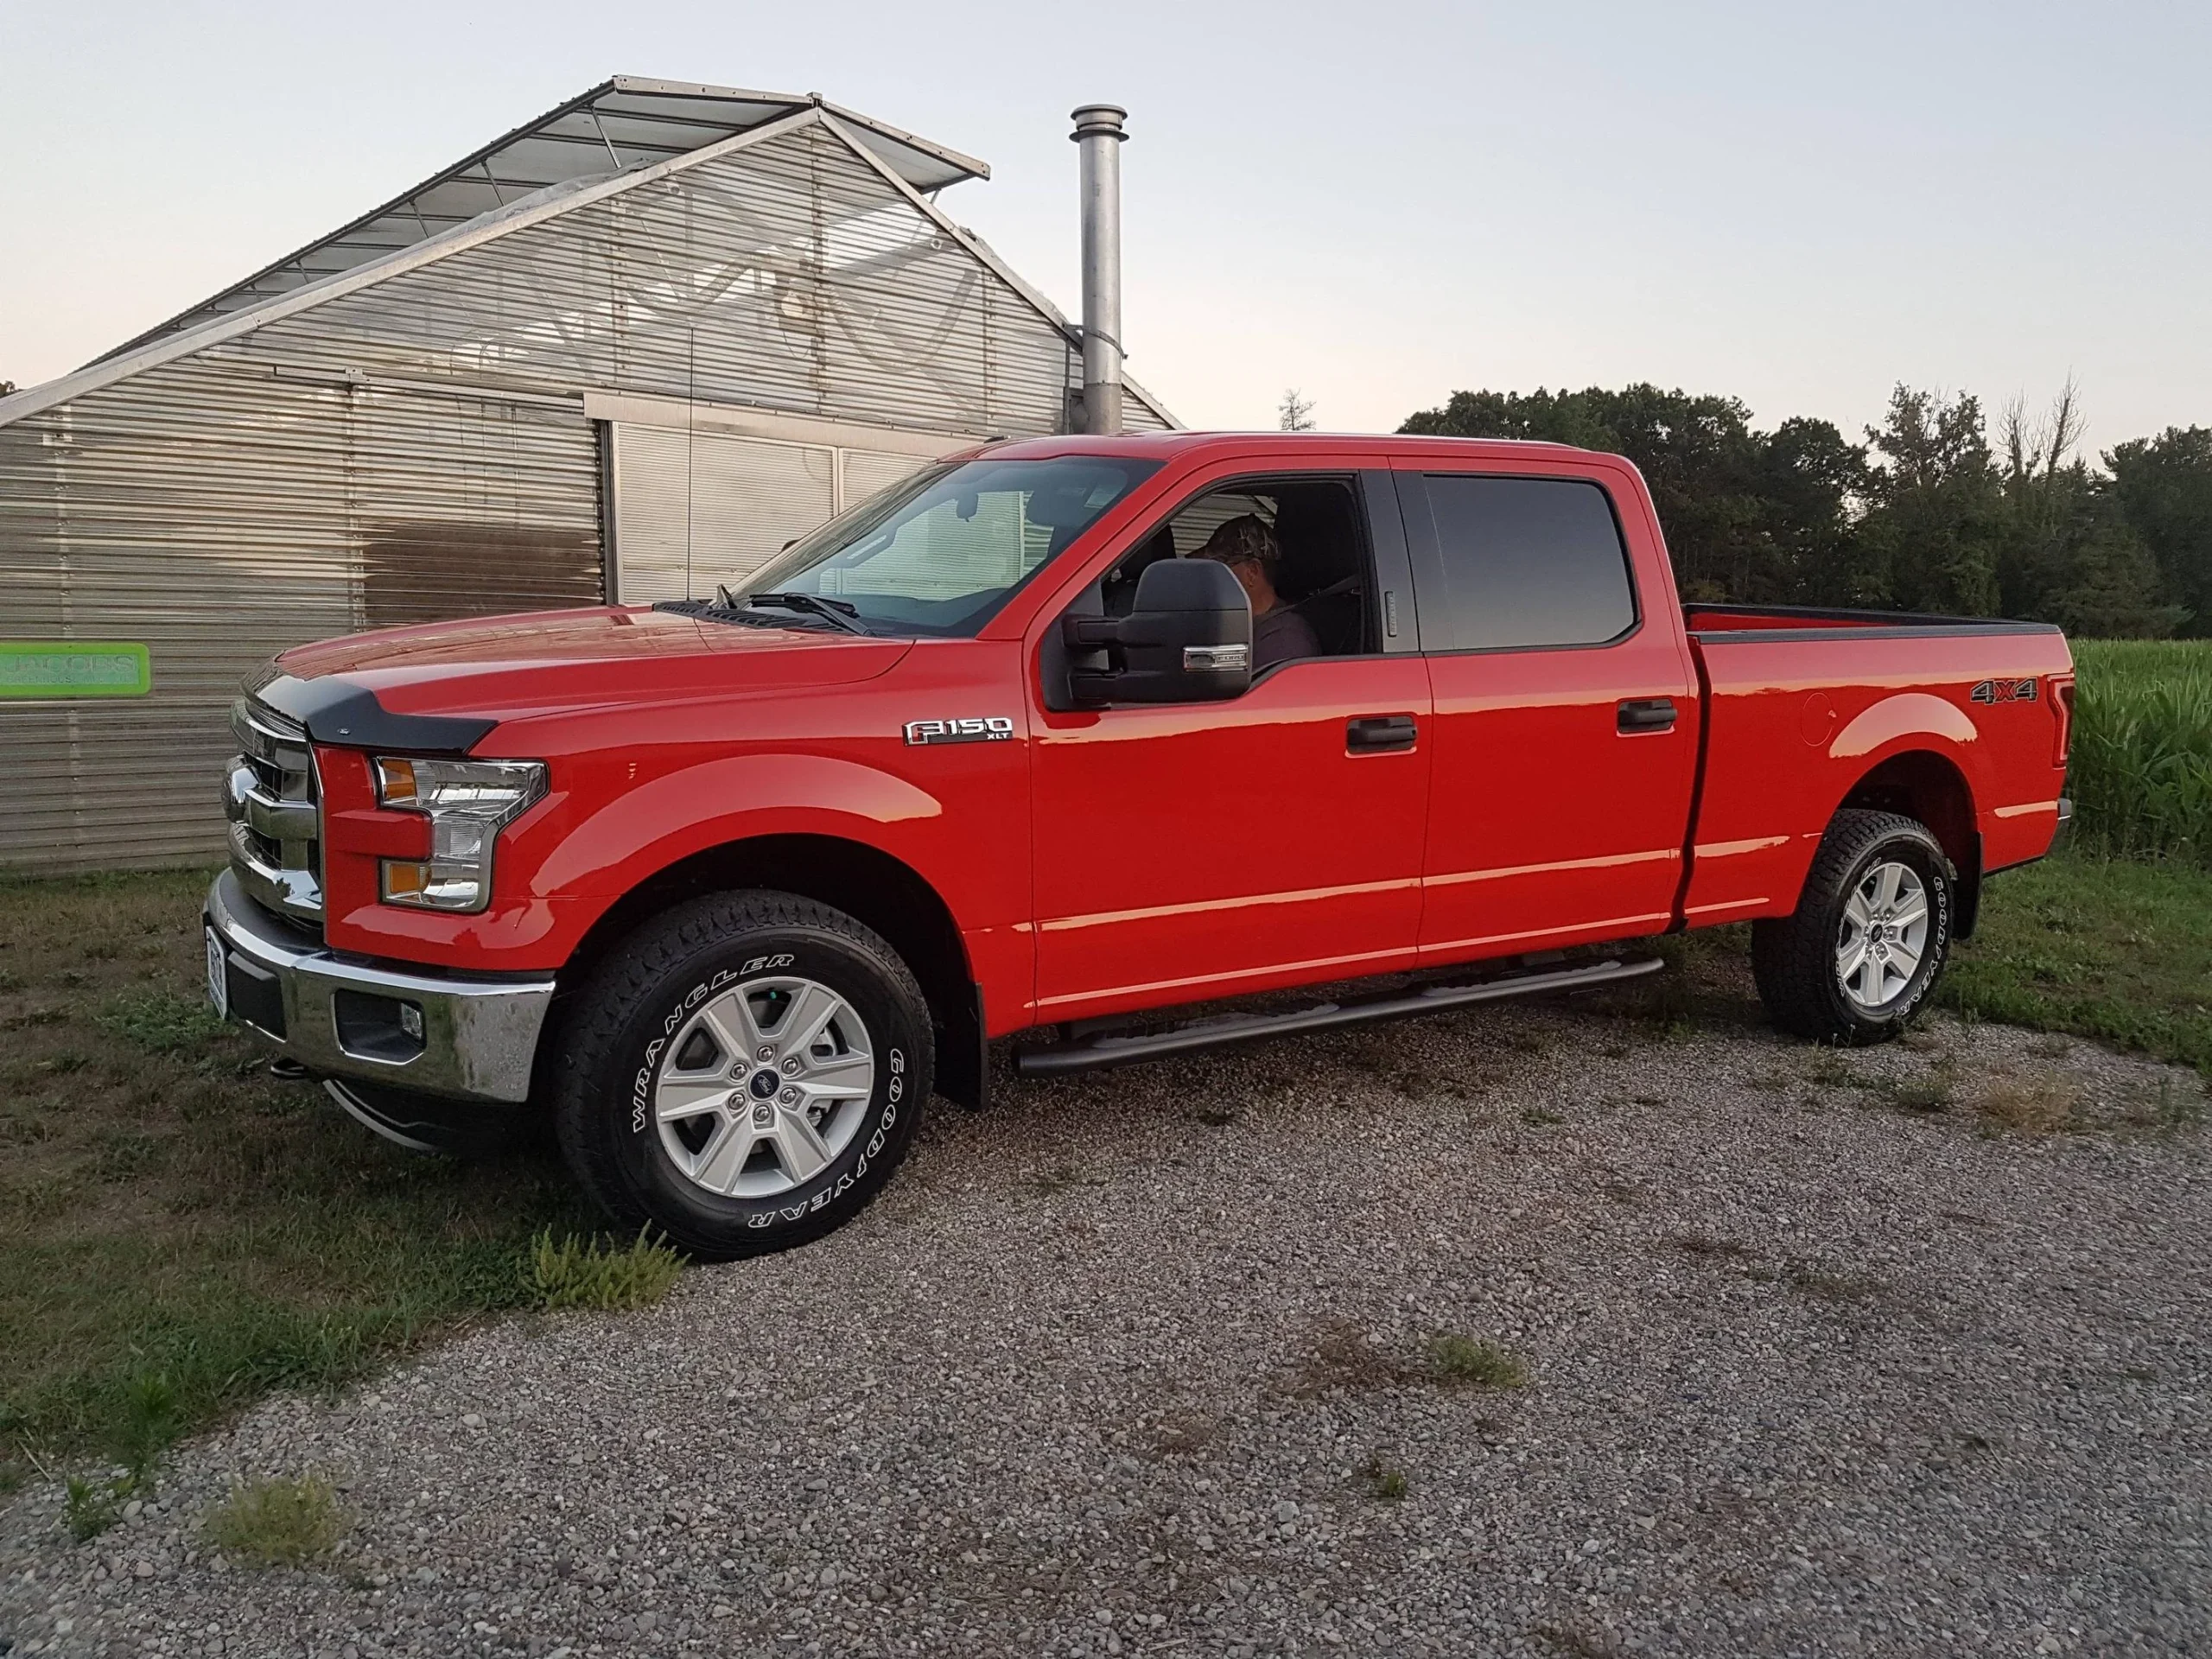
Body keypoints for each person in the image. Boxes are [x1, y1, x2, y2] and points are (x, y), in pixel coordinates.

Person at [1189, 515, 1319, 672]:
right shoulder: (1252, 627)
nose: (1212, 577)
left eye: (1220, 567)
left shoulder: (1284, 641)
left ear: (1252, 572)